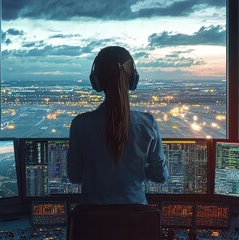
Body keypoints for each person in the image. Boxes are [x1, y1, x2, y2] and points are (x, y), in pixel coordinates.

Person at [67, 46, 168, 205]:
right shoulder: (148, 125)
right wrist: (136, 171)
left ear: (96, 81)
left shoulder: (80, 125)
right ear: (133, 79)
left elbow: (74, 176)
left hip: (92, 222)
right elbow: (160, 176)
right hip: (137, 222)